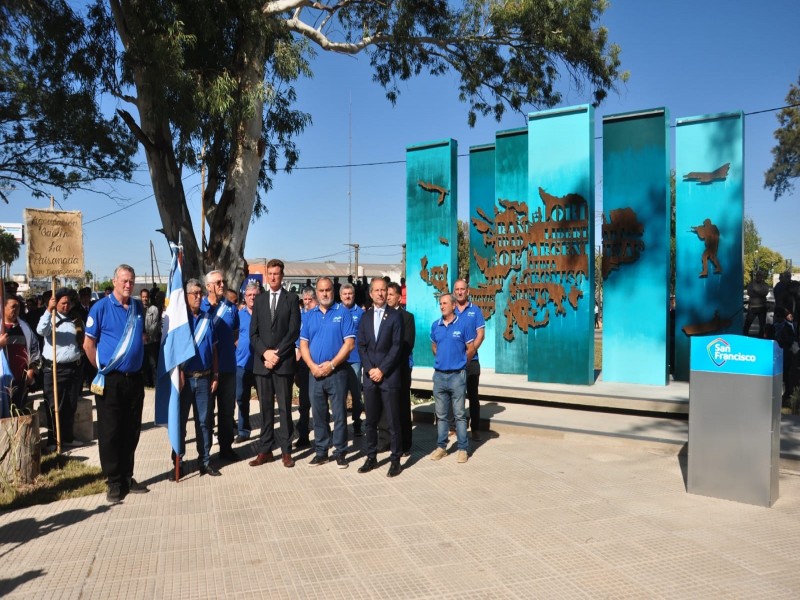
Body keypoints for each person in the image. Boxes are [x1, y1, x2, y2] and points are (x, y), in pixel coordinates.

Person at [84, 264, 148, 502]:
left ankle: (127, 476)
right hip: (111, 381)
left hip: (134, 380)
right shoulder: (100, 307)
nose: (128, 285)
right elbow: (88, 345)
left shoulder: (137, 307)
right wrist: (101, 369)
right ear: (114, 281)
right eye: (124, 281)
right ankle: (113, 481)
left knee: (131, 430)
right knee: (110, 431)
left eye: (131, 281)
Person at [249, 259, 300, 469]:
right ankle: (265, 450)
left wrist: (277, 354)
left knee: (285, 409)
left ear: (282, 275)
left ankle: (286, 451)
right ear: (266, 275)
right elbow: (253, 334)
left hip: (283, 362)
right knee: (265, 409)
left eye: (276, 274)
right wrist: (265, 354)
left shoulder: (291, 299)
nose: (272, 277)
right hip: (263, 364)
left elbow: (294, 330)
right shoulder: (259, 300)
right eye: (270, 273)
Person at [299, 276, 355, 468]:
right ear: (316, 292)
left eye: (328, 290)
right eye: (321, 290)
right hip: (314, 373)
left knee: (339, 414)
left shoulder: (343, 312)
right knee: (319, 414)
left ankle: (340, 452)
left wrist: (331, 365)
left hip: (336, 372)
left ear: (333, 290)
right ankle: (321, 451)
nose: (325, 293)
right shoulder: (309, 315)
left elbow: (349, 344)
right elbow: (304, 344)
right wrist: (313, 366)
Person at [356, 278, 404, 477]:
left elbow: (397, 346)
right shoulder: (365, 317)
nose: (380, 294)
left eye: (383, 290)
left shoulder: (395, 316)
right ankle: (371, 456)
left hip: (388, 376)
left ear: (387, 292)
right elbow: (362, 345)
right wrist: (370, 369)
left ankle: (395, 460)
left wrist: (381, 370)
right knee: (370, 421)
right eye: (376, 290)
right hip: (370, 377)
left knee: (393, 421)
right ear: (371, 293)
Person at [176, 278, 220, 478]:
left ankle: (205, 461)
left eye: (199, 293)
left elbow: (214, 349)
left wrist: (215, 374)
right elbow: (172, 351)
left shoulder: (207, 319)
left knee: (204, 422)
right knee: (181, 422)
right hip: (184, 379)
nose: (197, 297)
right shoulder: (180, 320)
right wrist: (177, 374)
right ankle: (178, 461)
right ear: (185, 297)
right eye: (193, 293)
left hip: (203, 378)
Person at [429, 293, 476, 464]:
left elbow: (470, 348)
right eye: (440, 303)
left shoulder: (463, 325)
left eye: (445, 303)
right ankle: (442, 447)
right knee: (441, 416)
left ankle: (463, 448)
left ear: (454, 305)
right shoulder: (436, 325)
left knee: (459, 415)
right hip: (439, 376)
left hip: (457, 376)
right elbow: (434, 346)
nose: (442, 306)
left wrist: (461, 362)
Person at [36, 288, 84, 449]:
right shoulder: (50, 318)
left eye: (68, 302)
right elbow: (41, 331)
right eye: (62, 303)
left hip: (73, 369)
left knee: (70, 404)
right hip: (54, 370)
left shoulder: (75, 319)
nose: (66, 305)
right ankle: (53, 440)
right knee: (53, 406)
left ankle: (68, 438)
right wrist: (49, 310)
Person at [201, 270, 240, 462]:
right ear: (208, 286)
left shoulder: (230, 307)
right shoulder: (200, 307)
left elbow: (234, 333)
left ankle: (226, 448)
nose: (222, 285)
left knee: (226, 412)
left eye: (223, 281)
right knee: (206, 414)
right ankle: (206, 453)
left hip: (228, 368)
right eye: (217, 282)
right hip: (206, 370)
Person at [453, 279, 486, 441]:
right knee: (456, 395)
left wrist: (471, 352)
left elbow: (481, 334)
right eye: (457, 289)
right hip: (455, 362)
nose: (460, 292)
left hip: (472, 361)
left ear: (468, 291)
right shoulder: (450, 311)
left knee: (473, 396)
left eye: (462, 289)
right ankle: (455, 426)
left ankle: (475, 429)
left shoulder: (476, 311)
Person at [387, 281, 415, 455]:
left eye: (390, 294)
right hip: (383, 370)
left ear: (399, 297)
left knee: (402, 406)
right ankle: (386, 441)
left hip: (401, 368)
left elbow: (407, 344)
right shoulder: (380, 316)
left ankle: (405, 443)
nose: (387, 297)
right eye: (386, 294)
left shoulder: (407, 317)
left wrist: (390, 362)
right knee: (386, 407)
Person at [0, 294, 41, 412]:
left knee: (20, 412)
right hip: (2, 380)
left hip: (21, 379)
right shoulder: (2, 328)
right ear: (3, 307)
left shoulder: (24, 327)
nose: (16, 310)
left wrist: (31, 369)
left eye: (18, 307)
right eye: (13, 307)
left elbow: (34, 348)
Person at [234, 282, 260, 443]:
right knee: (241, 399)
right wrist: (240, 345)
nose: (252, 298)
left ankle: (268, 431)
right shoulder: (239, 315)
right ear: (245, 297)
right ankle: (243, 431)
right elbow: (233, 334)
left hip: (260, 365)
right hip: (242, 364)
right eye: (249, 295)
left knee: (265, 399)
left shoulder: (265, 315)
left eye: (255, 295)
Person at [294, 286, 317, 450]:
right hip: (302, 365)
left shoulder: (321, 315)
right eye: (305, 300)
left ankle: (323, 435)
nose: (307, 303)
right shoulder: (300, 316)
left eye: (310, 299)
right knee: (304, 404)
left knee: (319, 403)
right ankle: (303, 435)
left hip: (318, 364)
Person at [339, 282, 364, 437]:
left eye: (350, 294)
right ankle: (340, 425)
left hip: (354, 359)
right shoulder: (335, 311)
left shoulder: (360, 313)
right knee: (339, 394)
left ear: (354, 295)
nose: (348, 296)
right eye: (345, 294)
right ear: (340, 296)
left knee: (356, 394)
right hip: (338, 360)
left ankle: (356, 423)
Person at [744, 270, 769, 338]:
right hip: (752, 308)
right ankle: (745, 338)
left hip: (762, 308)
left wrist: (755, 291)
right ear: (756, 276)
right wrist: (759, 293)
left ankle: (761, 339)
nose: (758, 276)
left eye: (760, 275)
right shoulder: (750, 284)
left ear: (762, 276)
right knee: (747, 324)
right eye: (757, 275)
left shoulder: (765, 284)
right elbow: (749, 293)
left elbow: (765, 293)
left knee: (762, 326)